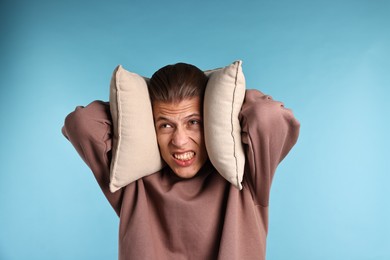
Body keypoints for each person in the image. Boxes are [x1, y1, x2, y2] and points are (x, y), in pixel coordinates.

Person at [62, 63, 300, 260]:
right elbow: (82, 124)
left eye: (193, 122)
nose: (179, 141)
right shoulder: (132, 182)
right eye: (165, 125)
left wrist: (224, 99)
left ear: (211, 119)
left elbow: (270, 117)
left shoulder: (247, 175)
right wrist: (135, 101)